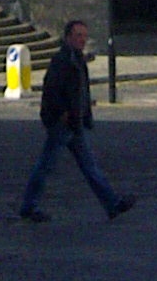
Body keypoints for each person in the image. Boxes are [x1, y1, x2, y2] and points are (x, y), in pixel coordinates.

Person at [18, 20, 135, 224]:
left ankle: (112, 204)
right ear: (68, 37)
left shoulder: (76, 60)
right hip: (63, 123)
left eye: (84, 36)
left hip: (73, 121)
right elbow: (52, 90)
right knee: (48, 165)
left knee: (87, 166)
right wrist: (61, 113)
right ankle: (28, 206)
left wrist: (84, 114)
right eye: (78, 35)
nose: (82, 39)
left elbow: (80, 91)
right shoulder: (63, 60)